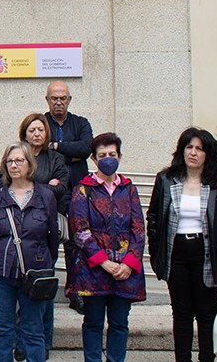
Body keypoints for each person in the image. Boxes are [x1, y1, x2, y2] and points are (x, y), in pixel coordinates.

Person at [147, 127, 217, 362]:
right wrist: (156, 253)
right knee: (182, 314)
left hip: (208, 254)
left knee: (206, 315)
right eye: (189, 147)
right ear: (182, 150)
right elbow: (154, 218)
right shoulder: (166, 179)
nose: (193, 153)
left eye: (199, 148)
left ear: (208, 154)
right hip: (176, 253)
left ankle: (207, 358)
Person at [68, 132, 146, 362]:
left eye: (112, 154)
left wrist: (129, 263)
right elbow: (80, 230)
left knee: (120, 323)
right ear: (94, 159)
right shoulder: (84, 189)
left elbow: (138, 229)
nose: (108, 158)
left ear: (119, 156)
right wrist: (105, 262)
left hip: (125, 270)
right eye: (102, 155)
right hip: (93, 270)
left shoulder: (129, 188)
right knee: (93, 323)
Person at [0, 143, 60, 362]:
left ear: (30, 164)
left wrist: (43, 262)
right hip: (0, 274)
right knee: (2, 329)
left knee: (33, 330)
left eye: (19, 160)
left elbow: (52, 238)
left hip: (35, 274)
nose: (14, 165)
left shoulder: (45, 197)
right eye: (9, 161)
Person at [16, 113, 69, 356]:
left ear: (46, 133)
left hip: (45, 232)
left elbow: (61, 189)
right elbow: (6, 183)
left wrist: (30, 187)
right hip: (19, 233)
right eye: (31, 130)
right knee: (19, 289)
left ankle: (44, 341)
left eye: (40, 130)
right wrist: (47, 186)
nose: (36, 134)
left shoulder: (55, 158)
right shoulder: (16, 156)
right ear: (24, 133)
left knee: (43, 287)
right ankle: (21, 341)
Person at [43, 80, 93, 313]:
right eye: (54, 98)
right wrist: (67, 154)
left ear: (69, 99)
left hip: (77, 192)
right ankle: (44, 288)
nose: (59, 102)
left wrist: (55, 147)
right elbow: (39, 152)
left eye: (63, 98)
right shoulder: (40, 123)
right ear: (47, 100)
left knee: (76, 243)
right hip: (49, 192)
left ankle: (75, 291)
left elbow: (85, 149)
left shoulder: (80, 123)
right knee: (47, 241)